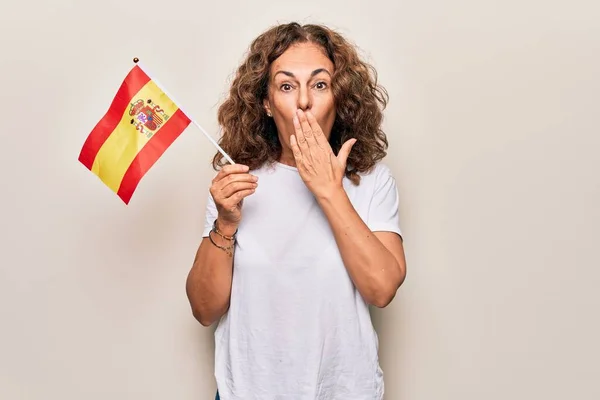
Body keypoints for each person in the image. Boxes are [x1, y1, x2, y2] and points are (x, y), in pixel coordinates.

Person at [185, 22, 407, 400]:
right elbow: (205, 310)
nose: (304, 101)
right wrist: (225, 223)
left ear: (339, 97)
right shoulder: (237, 184)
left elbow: (382, 288)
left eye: (319, 84)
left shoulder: (371, 181)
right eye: (287, 86)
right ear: (267, 103)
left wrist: (329, 190)